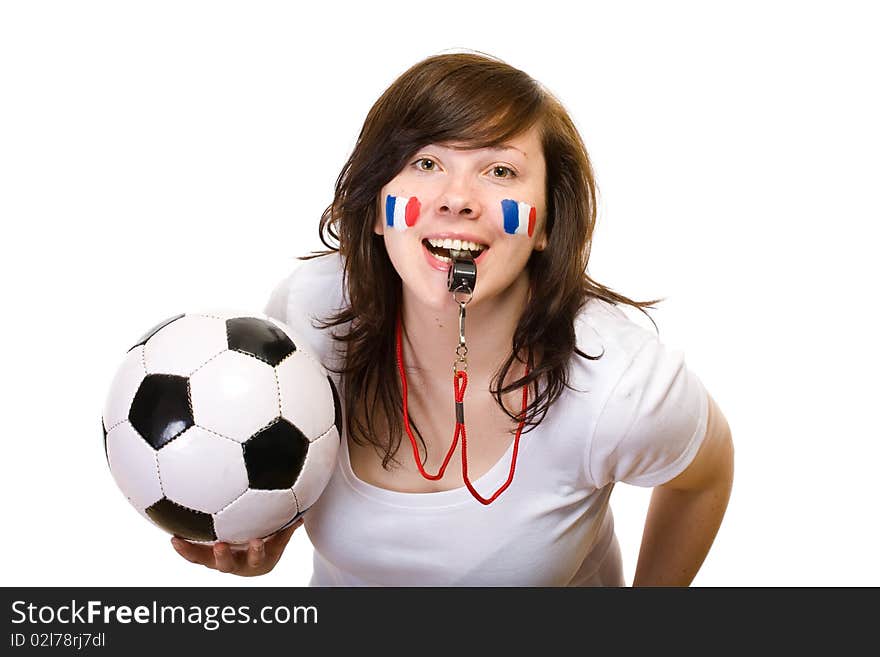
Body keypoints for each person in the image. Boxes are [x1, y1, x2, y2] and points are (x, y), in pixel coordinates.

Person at [171, 51, 734, 586]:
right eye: (426, 162)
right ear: (375, 209)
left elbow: (704, 475)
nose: (457, 198)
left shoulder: (620, 384)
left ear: (543, 228)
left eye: (500, 171)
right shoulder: (308, 315)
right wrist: (270, 524)